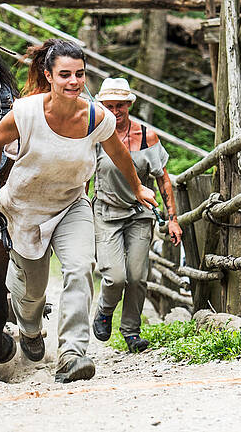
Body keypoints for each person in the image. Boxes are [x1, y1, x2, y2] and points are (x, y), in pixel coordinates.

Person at [0, 39, 157, 383]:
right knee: (32, 292)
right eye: (65, 75)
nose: (73, 82)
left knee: (79, 268)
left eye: (79, 74)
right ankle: (30, 330)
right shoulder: (27, 112)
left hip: (72, 205)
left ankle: (73, 353)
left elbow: (119, 153)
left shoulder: (95, 117)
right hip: (25, 210)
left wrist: (137, 187)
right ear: (49, 75)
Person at [91, 78, 184, 353]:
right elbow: (83, 175)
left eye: (120, 105)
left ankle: (131, 331)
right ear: (102, 107)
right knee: (115, 276)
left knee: (137, 276)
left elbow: (163, 180)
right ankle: (105, 311)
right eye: (109, 106)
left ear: (129, 105)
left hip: (139, 215)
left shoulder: (147, 136)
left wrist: (173, 219)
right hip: (106, 212)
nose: (115, 110)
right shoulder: (95, 136)